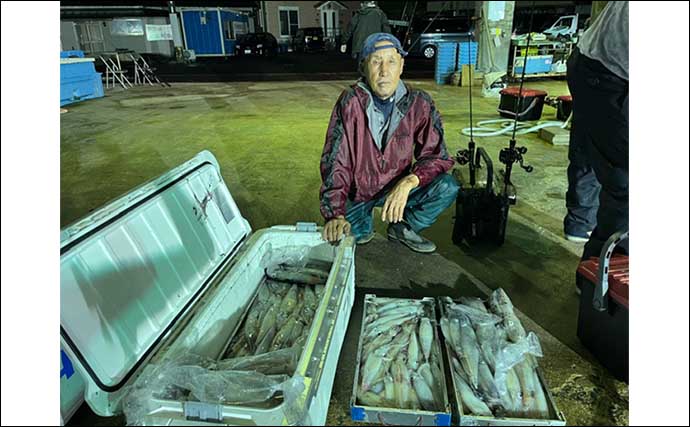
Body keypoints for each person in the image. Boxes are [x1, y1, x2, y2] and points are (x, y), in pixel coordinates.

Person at [320, 33, 459, 253]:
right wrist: (334, 213)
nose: (384, 71)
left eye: (391, 61)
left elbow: (437, 156)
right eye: (376, 62)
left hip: (396, 186)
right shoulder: (350, 102)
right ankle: (362, 222)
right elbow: (336, 161)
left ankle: (402, 227)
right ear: (364, 67)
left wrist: (409, 182)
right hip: (358, 193)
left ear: (401, 66)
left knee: (447, 186)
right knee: (351, 238)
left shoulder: (419, 103)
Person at [563, 1, 628, 261]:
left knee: (589, 145)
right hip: (615, 74)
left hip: (587, 59)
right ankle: (600, 278)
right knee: (626, 184)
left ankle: (579, 222)